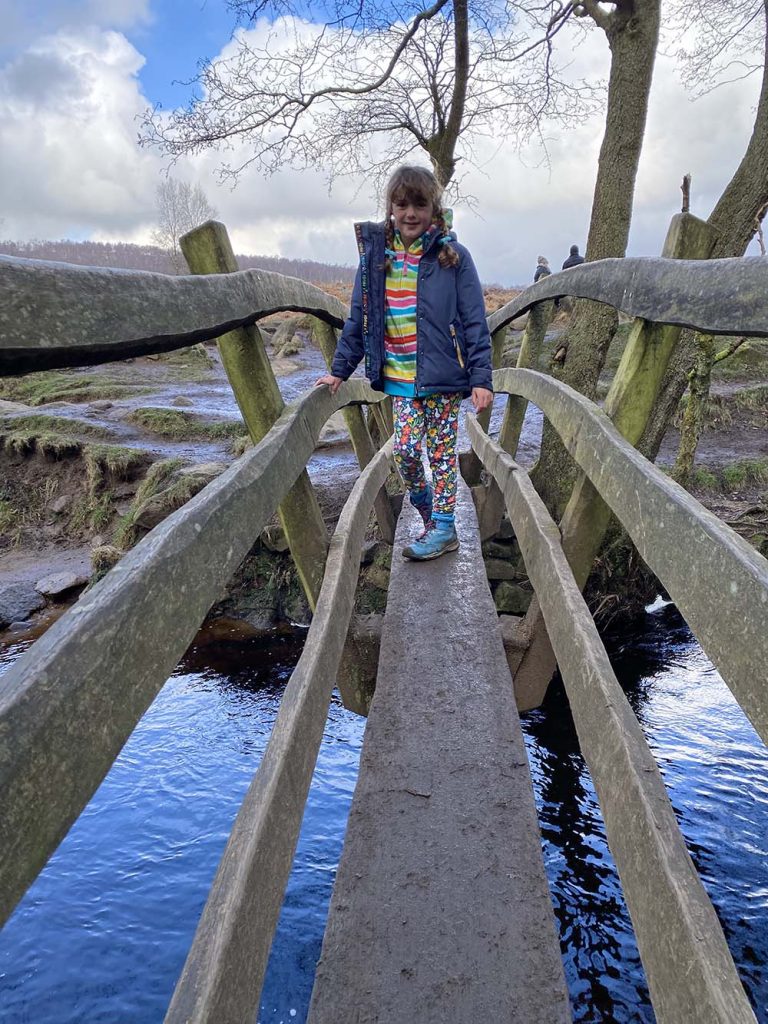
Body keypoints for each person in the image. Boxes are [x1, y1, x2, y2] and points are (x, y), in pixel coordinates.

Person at [316, 164, 494, 562]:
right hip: (400, 379)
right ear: (391, 208)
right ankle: (427, 507)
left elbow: (474, 322)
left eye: (419, 204)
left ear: (434, 208)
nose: (410, 213)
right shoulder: (377, 259)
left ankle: (445, 528)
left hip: (445, 379)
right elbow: (359, 320)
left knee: (442, 455)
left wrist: (481, 377)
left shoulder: (454, 258)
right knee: (407, 454)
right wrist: (339, 370)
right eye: (402, 204)